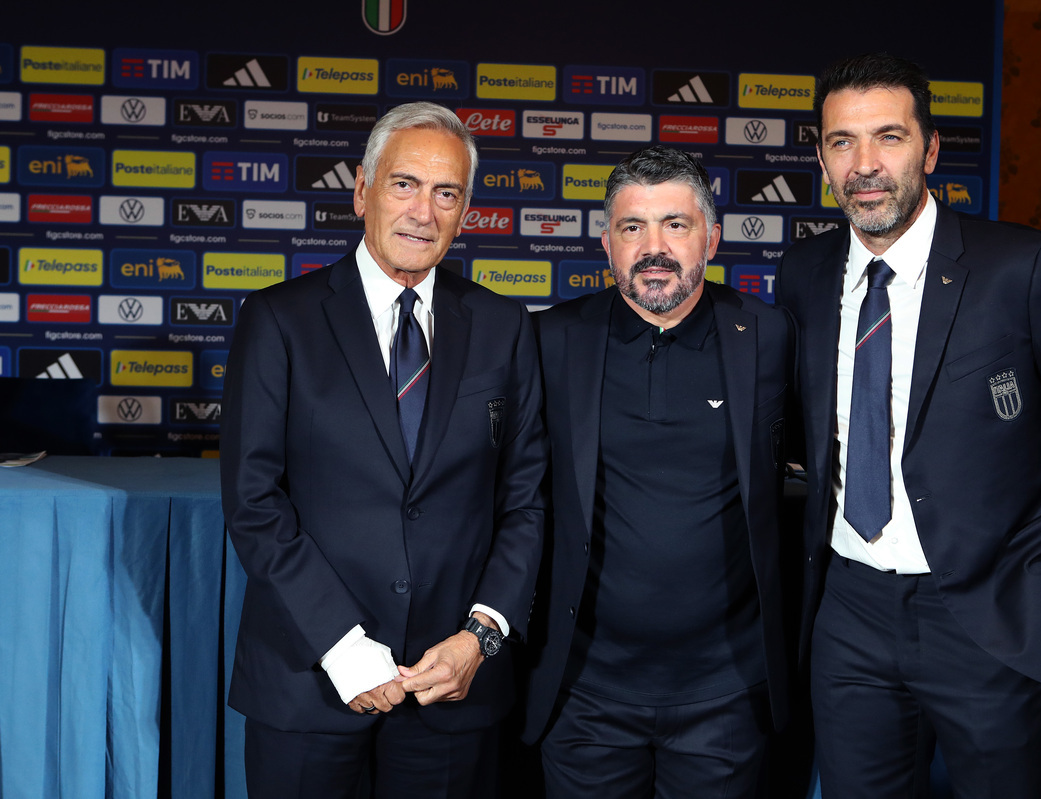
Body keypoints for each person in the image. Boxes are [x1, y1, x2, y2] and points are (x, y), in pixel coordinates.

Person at [776, 53, 1041, 797]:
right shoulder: (804, 274)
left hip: (994, 616)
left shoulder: (1022, 268)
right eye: (841, 142)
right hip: (850, 613)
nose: (864, 164)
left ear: (928, 149)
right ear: (820, 155)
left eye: (888, 137)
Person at [220, 101, 546, 799]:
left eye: (446, 193)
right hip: (307, 683)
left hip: (451, 691)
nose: (423, 212)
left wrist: (479, 638)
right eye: (404, 184)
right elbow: (253, 503)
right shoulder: (278, 320)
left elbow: (525, 499)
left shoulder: (504, 326)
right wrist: (341, 645)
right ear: (362, 190)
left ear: (465, 212)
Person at [523, 145, 796, 797]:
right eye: (632, 227)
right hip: (585, 694)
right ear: (606, 242)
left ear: (712, 236)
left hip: (724, 699)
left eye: (676, 224)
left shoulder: (768, 337)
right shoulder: (551, 340)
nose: (655, 247)